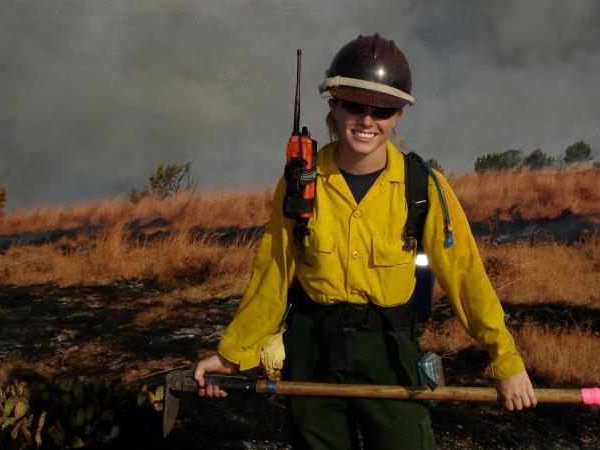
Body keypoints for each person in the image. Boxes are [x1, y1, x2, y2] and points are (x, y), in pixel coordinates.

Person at [195, 33, 536, 449]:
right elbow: (272, 274)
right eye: (355, 104)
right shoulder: (300, 183)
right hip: (313, 350)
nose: (367, 120)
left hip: (390, 355)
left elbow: (466, 278)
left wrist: (506, 361)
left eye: (383, 109)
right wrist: (231, 355)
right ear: (334, 106)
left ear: (398, 116)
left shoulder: (423, 187)